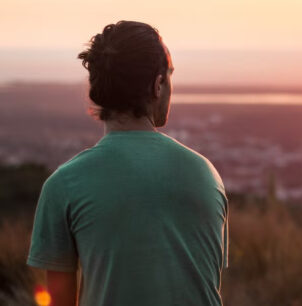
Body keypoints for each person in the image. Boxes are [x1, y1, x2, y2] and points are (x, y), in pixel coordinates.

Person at [27, 20, 229, 306]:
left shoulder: (63, 186)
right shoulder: (206, 175)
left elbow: (59, 300)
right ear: (158, 85)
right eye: (169, 76)